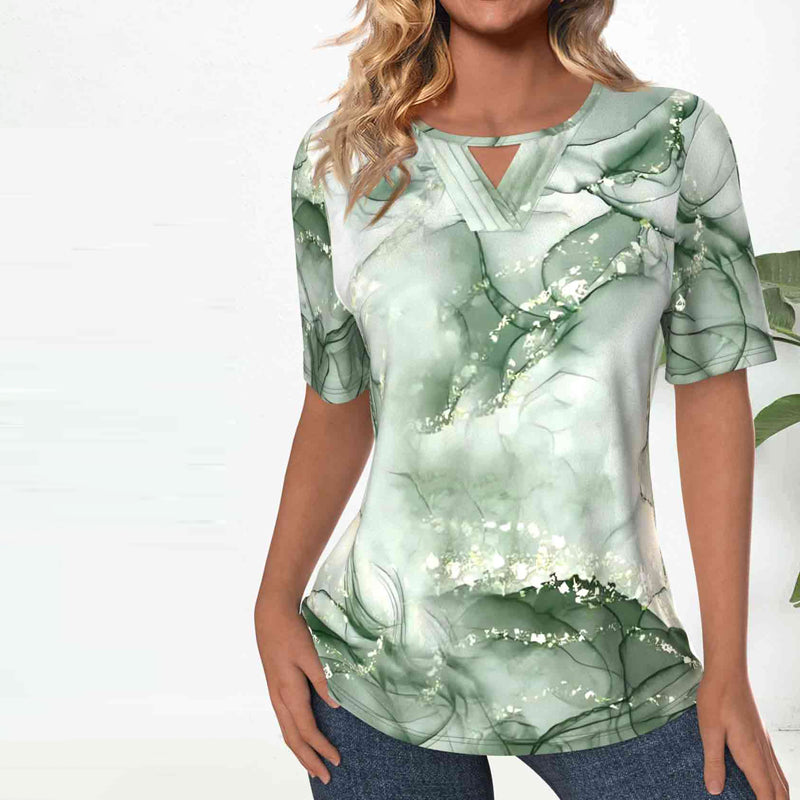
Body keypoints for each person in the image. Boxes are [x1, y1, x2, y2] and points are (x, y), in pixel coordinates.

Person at [255, 1, 790, 798]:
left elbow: (712, 395)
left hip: (615, 658)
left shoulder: (671, 137)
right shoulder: (342, 161)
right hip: (377, 665)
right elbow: (338, 401)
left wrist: (729, 670)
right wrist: (273, 603)